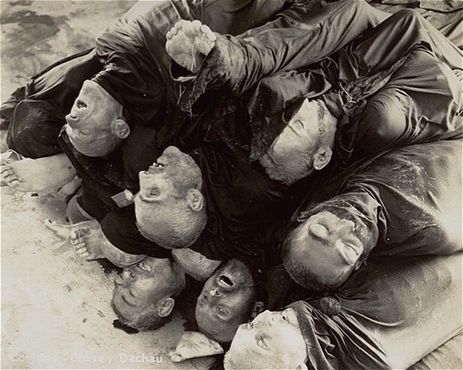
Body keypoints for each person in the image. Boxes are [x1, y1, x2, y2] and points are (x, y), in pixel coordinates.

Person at [167, 8, 462, 184]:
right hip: (449, 69)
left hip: (389, 46)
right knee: (353, 15)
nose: (295, 113)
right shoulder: (380, 122)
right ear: (322, 156)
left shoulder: (321, 116)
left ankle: (226, 63)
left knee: (280, 80)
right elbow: (409, 26)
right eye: (297, 126)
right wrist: (332, 84)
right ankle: (239, 60)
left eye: (282, 120)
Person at [224, 253, 463, 369]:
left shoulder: (321, 312)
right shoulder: (360, 343)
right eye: (263, 341)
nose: (266, 317)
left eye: (251, 324)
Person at [282, 139, 462, 291]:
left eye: (322, 228)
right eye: (349, 247)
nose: (347, 225)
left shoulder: (328, 185)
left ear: (306, 215)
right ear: (360, 262)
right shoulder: (430, 225)